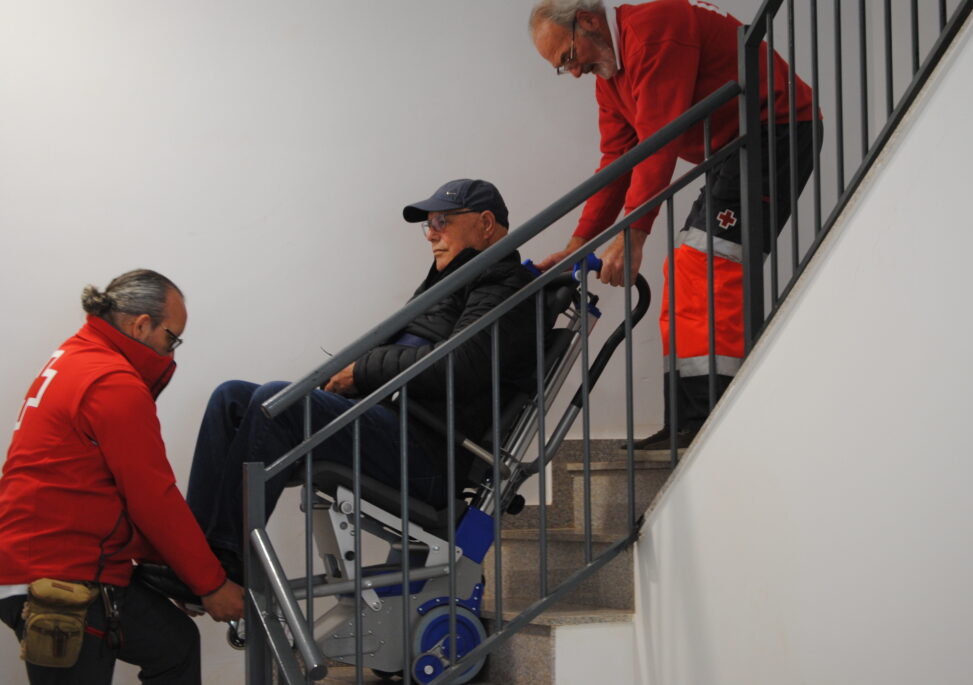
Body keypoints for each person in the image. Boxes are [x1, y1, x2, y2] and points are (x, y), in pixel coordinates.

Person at [182, 179, 540, 566]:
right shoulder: (450, 283)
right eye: (429, 224)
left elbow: (459, 363)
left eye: (442, 221)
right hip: (392, 426)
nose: (431, 234)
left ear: (486, 224)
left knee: (277, 401)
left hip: (425, 452)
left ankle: (222, 565)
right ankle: (191, 554)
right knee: (230, 397)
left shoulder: (506, 285)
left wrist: (361, 372)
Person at [530, 0, 819, 448]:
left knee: (710, 265)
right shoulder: (610, 81)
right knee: (683, 268)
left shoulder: (655, 31)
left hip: (776, 131)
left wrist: (633, 236)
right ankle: (686, 420)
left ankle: (715, 416)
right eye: (561, 68)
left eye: (568, 57)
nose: (573, 72)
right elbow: (618, 161)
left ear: (588, 21)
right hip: (734, 147)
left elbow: (658, 138)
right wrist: (578, 243)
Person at [0, 269, 244, 685]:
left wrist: (181, 574)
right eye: (173, 337)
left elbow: (105, 493)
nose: (172, 350)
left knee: (175, 646)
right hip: (62, 577)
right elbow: (153, 498)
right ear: (142, 325)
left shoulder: (76, 358)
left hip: (49, 562)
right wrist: (210, 584)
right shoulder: (111, 382)